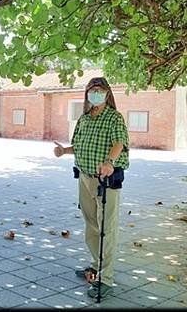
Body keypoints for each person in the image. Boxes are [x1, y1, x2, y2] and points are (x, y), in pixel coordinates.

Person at [53, 76, 129, 298]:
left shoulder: (114, 117)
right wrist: (64, 151)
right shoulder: (84, 118)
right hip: (84, 178)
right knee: (91, 224)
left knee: (107, 226)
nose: (95, 93)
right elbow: (80, 145)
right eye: (91, 89)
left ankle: (106, 278)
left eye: (99, 89)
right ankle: (97, 265)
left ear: (107, 93)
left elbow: (119, 142)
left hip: (105, 179)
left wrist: (109, 162)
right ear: (87, 93)